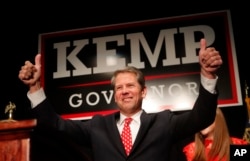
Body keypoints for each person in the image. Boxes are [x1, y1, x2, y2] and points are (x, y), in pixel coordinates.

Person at [18, 38, 222, 161]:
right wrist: (35, 87)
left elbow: (201, 116)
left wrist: (208, 74)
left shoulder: (164, 122)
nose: (124, 91)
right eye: (119, 88)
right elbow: (55, 124)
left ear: (143, 92)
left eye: (130, 86)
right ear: (115, 95)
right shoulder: (97, 126)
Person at [183, 108, 248, 161]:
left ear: (218, 119)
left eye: (206, 118)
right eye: (199, 120)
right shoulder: (192, 149)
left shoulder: (237, 144)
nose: (202, 123)